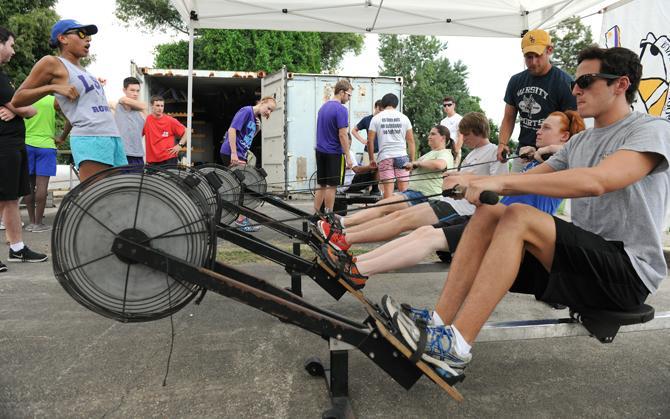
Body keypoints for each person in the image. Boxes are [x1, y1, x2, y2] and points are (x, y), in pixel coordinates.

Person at [382, 46, 670, 379]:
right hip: (585, 266)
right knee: (491, 213)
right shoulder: (580, 142)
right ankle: (437, 324)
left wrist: (500, 185)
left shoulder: (650, 130)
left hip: (627, 275)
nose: (575, 89)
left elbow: (597, 181)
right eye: (576, 82)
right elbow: (526, 180)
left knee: (517, 215)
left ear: (621, 84)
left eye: (586, 81)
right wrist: (470, 179)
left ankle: (456, 348)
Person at [346, 111, 584, 278]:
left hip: (513, 230)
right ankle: (353, 264)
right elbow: (514, 180)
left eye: (546, 128)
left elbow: (579, 153)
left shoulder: (566, 160)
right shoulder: (543, 162)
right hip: (494, 219)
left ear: (565, 137)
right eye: (540, 127)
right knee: (424, 232)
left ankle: (356, 270)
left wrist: (551, 149)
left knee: (427, 237)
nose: (538, 131)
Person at [319, 113, 507, 254]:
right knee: (393, 216)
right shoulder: (472, 154)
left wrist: (457, 180)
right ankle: (342, 234)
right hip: (449, 202)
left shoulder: (494, 153)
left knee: (400, 220)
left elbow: (498, 190)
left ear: (477, 132)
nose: (463, 139)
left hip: (458, 208)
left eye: (466, 135)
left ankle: (344, 235)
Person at [11, 19, 127, 181]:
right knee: (95, 197)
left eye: (88, 36)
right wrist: (52, 88)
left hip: (112, 136)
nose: (88, 39)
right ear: (62, 38)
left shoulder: (84, 70)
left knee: (117, 194)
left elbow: (68, 108)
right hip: (91, 138)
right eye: (81, 34)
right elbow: (17, 99)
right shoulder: (52, 63)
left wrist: (63, 136)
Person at [0, 27, 48, 269]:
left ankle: (17, 249)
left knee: (10, 198)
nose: (13, 50)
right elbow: (27, 108)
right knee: (3, 198)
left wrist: (17, 108)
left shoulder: (3, 76)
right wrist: (19, 108)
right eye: (10, 44)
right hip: (4, 146)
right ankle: (16, 248)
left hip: (14, 145)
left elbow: (28, 107)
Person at [497, 29, 576, 172]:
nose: (533, 62)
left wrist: (550, 150)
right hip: (522, 154)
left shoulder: (564, 82)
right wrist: (502, 143)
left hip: (551, 157)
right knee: (514, 193)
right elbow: (508, 118)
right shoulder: (516, 81)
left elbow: (575, 126)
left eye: (537, 56)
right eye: (528, 57)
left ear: (549, 50)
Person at [220, 97, 276, 232]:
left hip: (240, 154)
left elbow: (246, 138)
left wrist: (257, 129)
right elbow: (232, 130)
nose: (268, 112)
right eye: (268, 108)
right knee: (245, 187)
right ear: (262, 102)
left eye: (271, 111)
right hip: (232, 153)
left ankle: (240, 218)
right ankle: (240, 220)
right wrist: (233, 153)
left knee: (242, 187)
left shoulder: (255, 119)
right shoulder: (246, 111)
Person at [23, 95, 67, 233]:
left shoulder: (24, 98)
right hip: (46, 146)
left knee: (28, 185)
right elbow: (70, 118)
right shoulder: (53, 100)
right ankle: (38, 224)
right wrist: (62, 137)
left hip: (26, 145)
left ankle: (30, 222)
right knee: (42, 186)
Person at [313, 79, 353, 215]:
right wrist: (348, 156)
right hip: (333, 152)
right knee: (332, 186)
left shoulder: (323, 107)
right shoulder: (341, 110)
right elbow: (343, 135)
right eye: (349, 95)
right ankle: (329, 216)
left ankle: (316, 213)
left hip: (320, 150)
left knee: (321, 185)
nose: (349, 98)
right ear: (341, 92)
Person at [368, 93, 415, 198]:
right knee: (404, 191)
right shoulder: (404, 118)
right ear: (396, 104)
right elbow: (411, 141)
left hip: (385, 157)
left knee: (387, 191)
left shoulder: (376, 118)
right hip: (402, 156)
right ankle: (404, 213)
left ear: (383, 104)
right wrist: (412, 161)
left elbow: (370, 141)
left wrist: (371, 159)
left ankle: (387, 213)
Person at [111, 77, 146, 166]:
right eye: (132, 90)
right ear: (124, 90)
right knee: (121, 180)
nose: (135, 94)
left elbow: (143, 106)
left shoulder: (142, 110)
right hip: (121, 155)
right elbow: (120, 100)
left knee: (137, 180)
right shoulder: (118, 105)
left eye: (138, 91)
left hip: (138, 155)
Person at [143, 95, 187, 166]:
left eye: (162, 106)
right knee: (152, 178)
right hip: (152, 160)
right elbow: (137, 135)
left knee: (168, 178)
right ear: (151, 106)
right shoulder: (146, 120)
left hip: (168, 159)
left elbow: (186, 131)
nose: (160, 108)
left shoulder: (170, 120)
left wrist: (180, 145)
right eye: (157, 105)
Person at [351, 100, 382, 195]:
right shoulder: (367, 120)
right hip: (368, 152)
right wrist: (362, 140)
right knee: (367, 172)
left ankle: (375, 193)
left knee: (378, 173)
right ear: (375, 107)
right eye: (380, 109)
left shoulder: (383, 120)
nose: (381, 112)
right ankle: (366, 201)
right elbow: (354, 130)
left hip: (381, 152)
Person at [439, 96, 463, 165]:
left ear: (454, 105)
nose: (447, 107)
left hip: (454, 149)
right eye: (444, 105)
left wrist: (456, 152)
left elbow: (461, 137)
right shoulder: (442, 121)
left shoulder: (459, 119)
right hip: (444, 150)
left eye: (449, 105)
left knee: (452, 173)